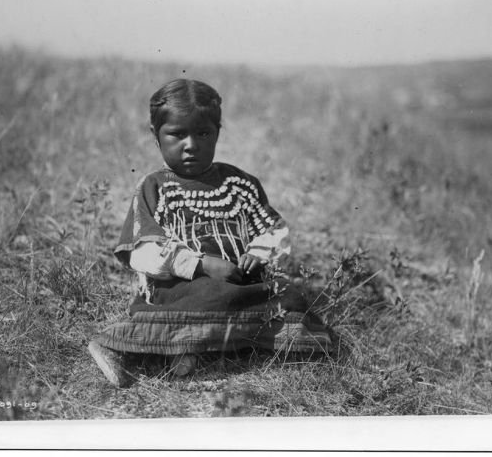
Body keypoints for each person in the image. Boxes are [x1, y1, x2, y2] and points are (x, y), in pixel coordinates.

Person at [88, 79, 331, 387]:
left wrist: (257, 254)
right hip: (181, 285)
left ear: (218, 132)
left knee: (289, 296)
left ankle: (199, 345)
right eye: (177, 134)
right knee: (210, 295)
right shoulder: (155, 187)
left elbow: (271, 229)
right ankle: (123, 346)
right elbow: (144, 252)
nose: (191, 144)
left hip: (241, 282)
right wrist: (201, 265)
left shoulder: (239, 184)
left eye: (203, 133)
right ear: (156, 136)